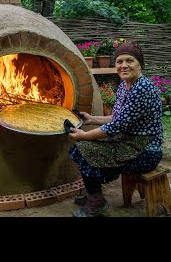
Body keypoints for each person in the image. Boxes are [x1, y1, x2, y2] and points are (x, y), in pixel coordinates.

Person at [68, 40, 163, 217]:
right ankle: (93, 195)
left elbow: (117, 125)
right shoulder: (124, 86)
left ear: (140, 64)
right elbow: (118, 118)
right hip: (126, 143)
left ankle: (96, 203)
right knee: (83, 149)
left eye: (130, 61)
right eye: (119, 61)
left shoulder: (142, 89)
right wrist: (92, 119)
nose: (124, 66)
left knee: (83, 149)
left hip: (145, 150)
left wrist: (84, 135)